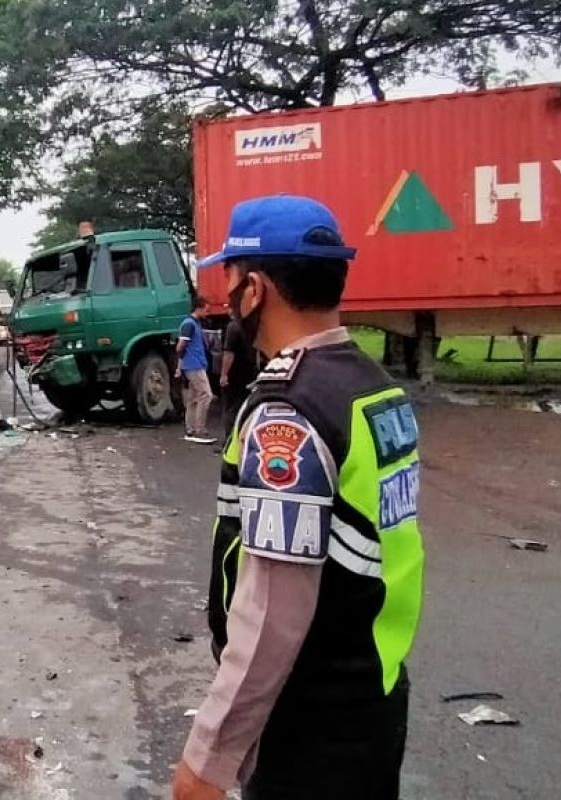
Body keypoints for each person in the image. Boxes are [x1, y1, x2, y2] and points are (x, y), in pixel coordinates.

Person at [173, 195, 426, 800]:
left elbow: (273, 614)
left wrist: (210, 759)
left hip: (312, 726)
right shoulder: (372, 385)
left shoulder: (288, 410)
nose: (225, 294)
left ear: (255, 289)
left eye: (229, 277)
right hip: (375, 695)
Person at [176, 295, 215, 445]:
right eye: (206, 310)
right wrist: (181, 364)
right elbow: (180, 346)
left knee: (193, 398)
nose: (208, 313)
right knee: (206, 395)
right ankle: (199, 430)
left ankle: (190, 429)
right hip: (194, 365)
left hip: (193, 364)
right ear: (199, 308)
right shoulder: (189, 324)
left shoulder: (194, 324)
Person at [219, 320, 257, 441]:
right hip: (250, 372)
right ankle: (245, 435)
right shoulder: (253, 326)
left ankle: (230, 440)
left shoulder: (233, 327)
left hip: (234, 374)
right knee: (246, 406)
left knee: (230, 408)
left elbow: (229, 354)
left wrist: (224, 374)